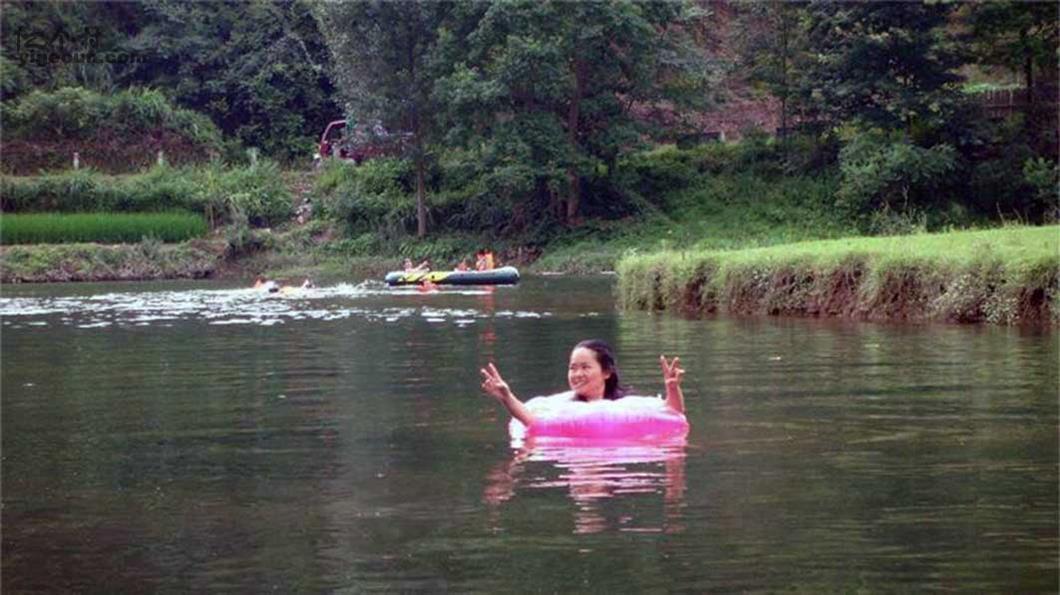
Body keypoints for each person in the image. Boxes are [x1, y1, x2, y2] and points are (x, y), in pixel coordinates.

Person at [480, 339, 685, 428]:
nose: (577, 374)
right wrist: (507, 397)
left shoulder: (629, 404)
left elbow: (673, 413)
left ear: (606, 372)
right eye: (572, 368)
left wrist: (672, 388)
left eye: (585, 367)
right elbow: (534, 423)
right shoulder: (561, 408)